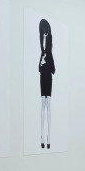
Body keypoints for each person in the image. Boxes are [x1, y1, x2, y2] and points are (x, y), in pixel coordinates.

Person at [38, 19, 55, 149]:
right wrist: (42, 62)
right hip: (43, 76)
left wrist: (45, 62)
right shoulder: (43, 53)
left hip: (47, 76)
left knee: (47, 104)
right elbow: (39, 68)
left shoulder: (49, 53)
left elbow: (53, 70)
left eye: (46, 32)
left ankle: (48, 137)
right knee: (44, 104)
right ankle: (43, 136)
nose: (45, 34)